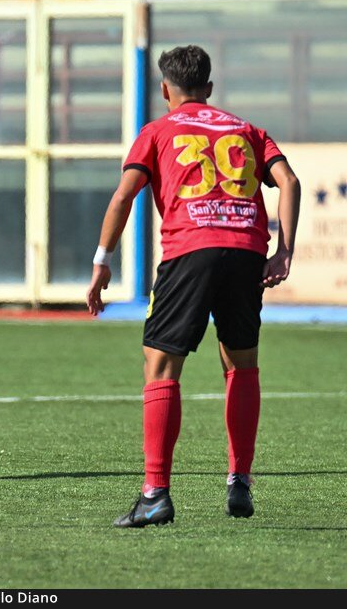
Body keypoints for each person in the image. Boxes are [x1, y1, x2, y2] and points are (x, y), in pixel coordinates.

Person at [86, 45, 300, 528]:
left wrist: (103, 261)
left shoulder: (158, 130)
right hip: (246, 249)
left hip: (191, 249)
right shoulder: (245, 129)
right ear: (209, 86)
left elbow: (124, 195)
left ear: (166, 90)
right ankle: (239, 481)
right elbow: (289, 181)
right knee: (242, 364)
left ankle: (156, 492)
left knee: (161, 365)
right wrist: (283, 249)